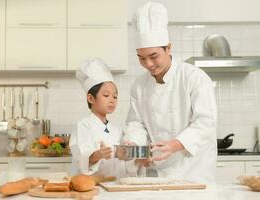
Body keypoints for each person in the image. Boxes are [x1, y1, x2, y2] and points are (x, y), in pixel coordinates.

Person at [123, 1, 217, 183]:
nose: (148, 64)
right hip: (157, 175)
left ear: (169, 48)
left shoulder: (194, 78)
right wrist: (135, 146)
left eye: (153, 56)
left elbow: (205, 123)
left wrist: (174, 145)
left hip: (193, 172)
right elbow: (136, 124)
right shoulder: (139, 85)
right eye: (141, 58)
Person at [69, 58, 127, 178]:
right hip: (90, 186)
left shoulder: (117, 130)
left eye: (115, 96)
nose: (112, 100)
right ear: (91, 98)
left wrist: (133, 159)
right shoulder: (83, 126)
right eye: (106, 95)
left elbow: (122, 163)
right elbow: (81, 159)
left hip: (112, 185)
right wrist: (98, 154)